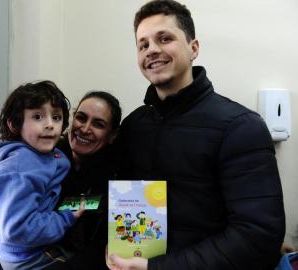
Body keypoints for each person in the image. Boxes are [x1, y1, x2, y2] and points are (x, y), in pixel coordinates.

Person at [109, 0, 286, 269]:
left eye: (164, 38)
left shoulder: (241, 126)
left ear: (194, 48)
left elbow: (257, 237)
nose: (152, 50)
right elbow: (122, 204)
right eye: (143, 44)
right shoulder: (134, 125)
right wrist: (114, 244)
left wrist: (155, 268)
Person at [0, 80, 84, 270]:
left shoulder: (35, 154)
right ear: (14, 124)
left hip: (22, 251)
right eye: (38, 117)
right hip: (29, 258)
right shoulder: (20, 167)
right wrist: (65, 218)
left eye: (56, 117)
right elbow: (17, 229)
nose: (50, 125)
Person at [47, 91, 122, 270]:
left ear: (112, 135)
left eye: (98, 124)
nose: (85, 128)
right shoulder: (45, 158)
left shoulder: (118, 179)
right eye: (81, 118)